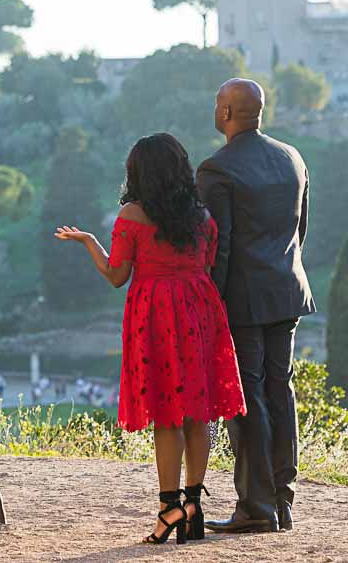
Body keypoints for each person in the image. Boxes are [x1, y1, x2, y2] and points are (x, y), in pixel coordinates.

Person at [56, 133, 245, 544]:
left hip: (156, 313)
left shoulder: (131, 216)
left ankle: (168, 508)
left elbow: (117, 276)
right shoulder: (202, 217)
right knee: (199, 412)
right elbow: (207, 265)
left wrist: (89, 241)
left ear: (138, 173)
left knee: (167, 415)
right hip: (199, 309)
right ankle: (193, 505)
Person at [197, 79, 316, 534]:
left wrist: (209, 305)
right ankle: (282, 500)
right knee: (279, 391)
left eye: (216, 102)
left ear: (227, 112)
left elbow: (218, 248)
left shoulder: (216, 170)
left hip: (241, 299)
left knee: (245, 398)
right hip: (286, 289)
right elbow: (300, 228)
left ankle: (255, 506)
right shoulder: (293, 157)